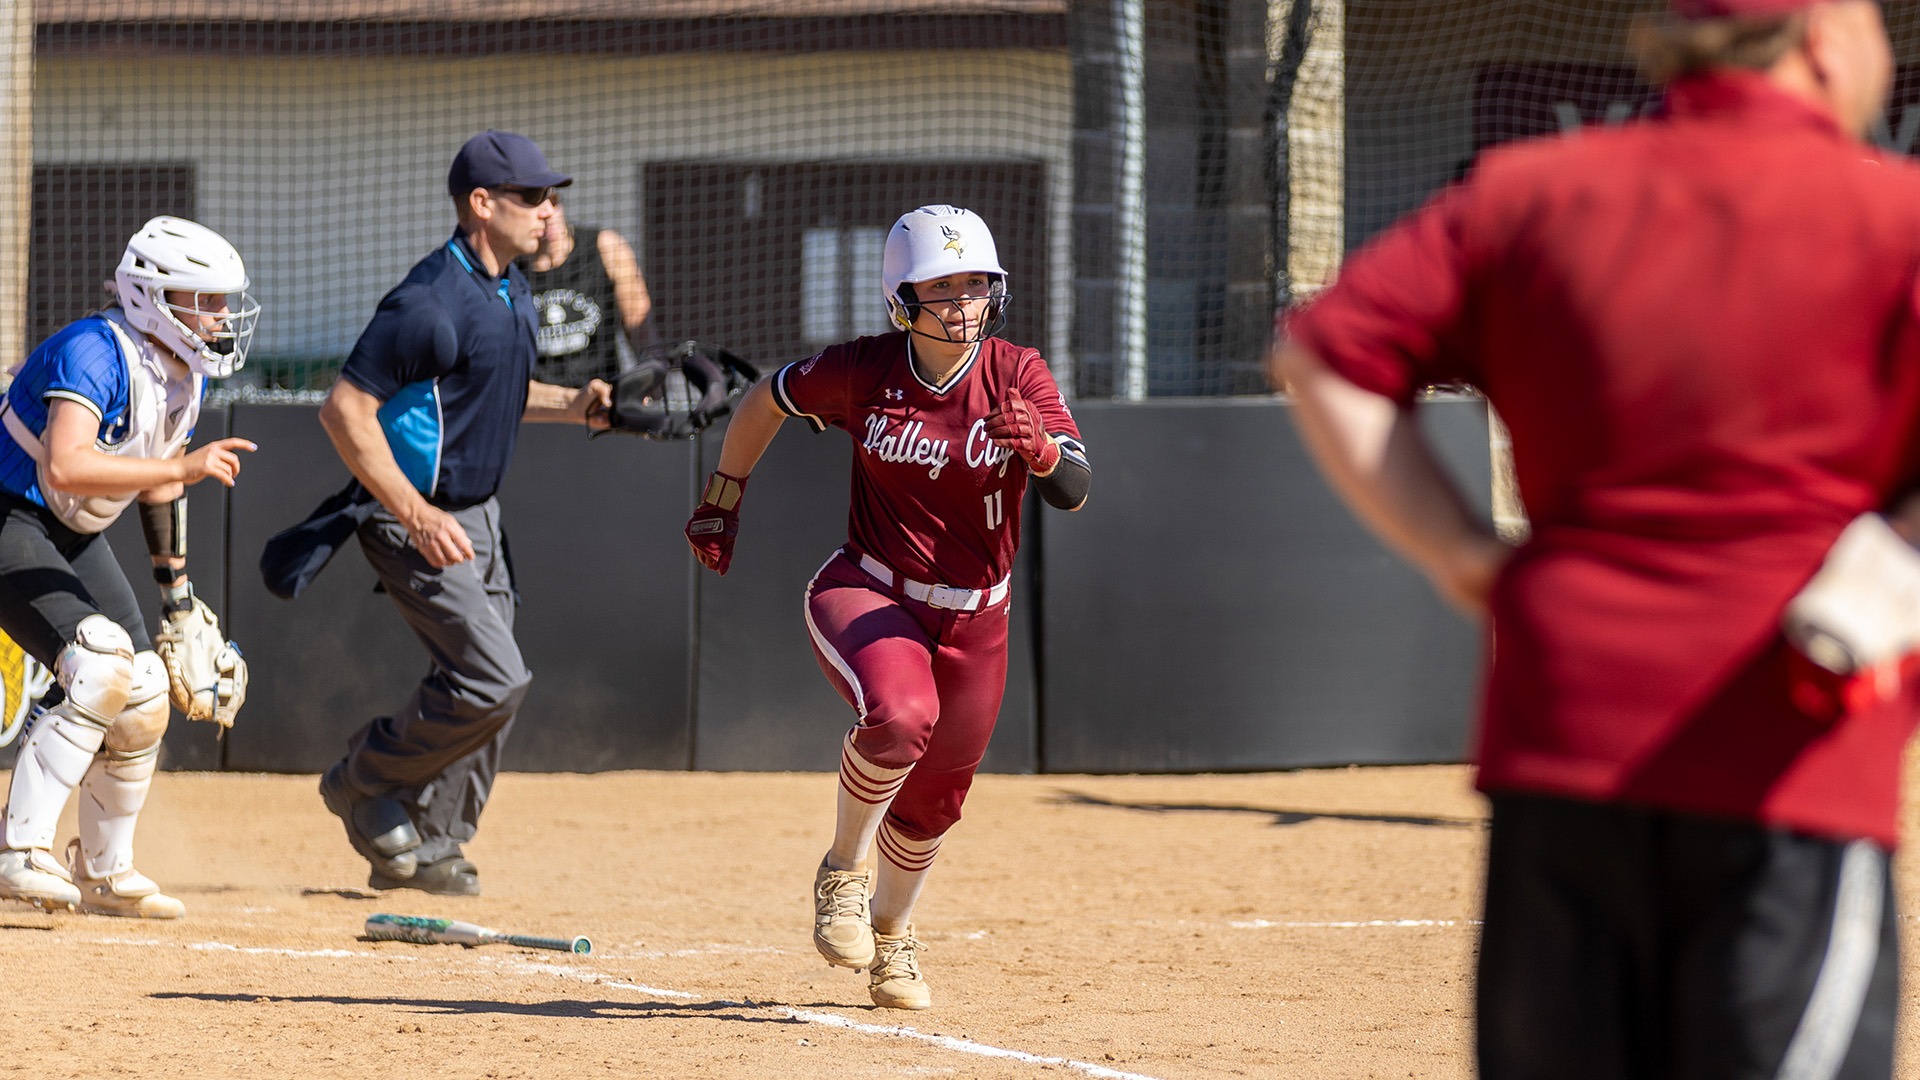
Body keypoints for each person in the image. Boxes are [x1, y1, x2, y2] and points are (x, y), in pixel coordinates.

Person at [1272, 1, 1920, 1076]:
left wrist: (1461, 555)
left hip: (1561, 734)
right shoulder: (1893, 212)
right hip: (1791, 745)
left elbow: (1324, 358)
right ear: (1823, 37)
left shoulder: (1531, 192)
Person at [684, 204, 1091, 1010]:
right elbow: (766, 399)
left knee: (937, 801)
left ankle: (895, 936)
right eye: (942, 287)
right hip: (869, 588)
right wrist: (724, 494)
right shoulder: (866, 369)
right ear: (900, 298)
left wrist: (1041, 451)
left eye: (977, 284)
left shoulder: (1017, 373)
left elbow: (1074, 489)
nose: (964, 303)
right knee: (903, 717)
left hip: (979, 616)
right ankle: (842, 870)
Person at [315, 130, 611, 898]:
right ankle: (363, 778)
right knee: (493, 680)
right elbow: (345, 410)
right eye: (533, 197)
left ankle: (436, 842)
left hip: (477, 516)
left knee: (491, 689)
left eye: (551, 196)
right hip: (414, 519)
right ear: (482, 204)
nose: (549, 211)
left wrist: (580, 405)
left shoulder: (510, 289)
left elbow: (497, 396)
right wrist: (412, 513)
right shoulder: (428, 301)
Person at [0, 216, 260, 917]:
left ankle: (103, 868)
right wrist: (182, 465)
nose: (220, 317)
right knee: (101, 661)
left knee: (142, 688)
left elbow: (159, 482)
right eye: (203, 301)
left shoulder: (183, 371)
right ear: (151, 297)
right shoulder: (96, 349)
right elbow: (66, 462)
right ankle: (18, 850)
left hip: (65, 526)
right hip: (8, 513)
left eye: (222, 302)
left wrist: (178, 598)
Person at [519, 193, 654, 387]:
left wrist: (654, 391)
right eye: (535, 207)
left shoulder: (606, 247)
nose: (549, 214)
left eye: (554, 202)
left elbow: (642, 331)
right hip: (540, 405)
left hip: (601, 402)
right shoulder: (509, 269)